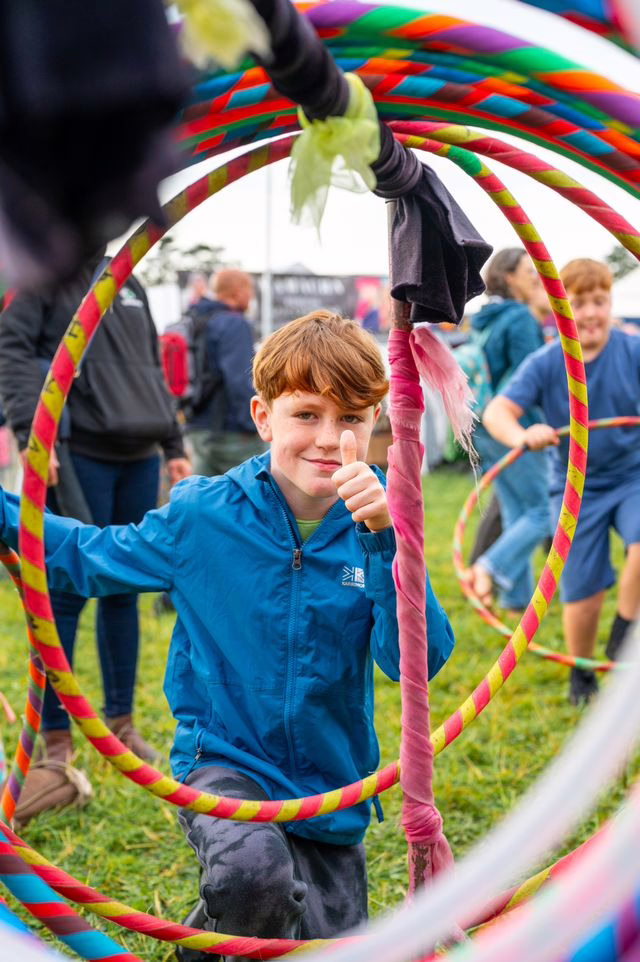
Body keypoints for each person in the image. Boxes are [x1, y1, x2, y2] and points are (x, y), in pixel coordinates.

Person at [0, 310, 455, 953]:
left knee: (321, 944)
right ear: (264, 416)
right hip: (224, 762)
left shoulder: (382, 522)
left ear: (374, 421)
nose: (328, 438)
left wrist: (387, 544)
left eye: (350, 417)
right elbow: (86, 557)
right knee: (253, 880)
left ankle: (207, 938)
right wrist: (4, 511)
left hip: (332, 784)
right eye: (307, 414)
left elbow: (417, 662)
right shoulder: (201, 515)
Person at [0, 252, 191, 822]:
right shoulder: (46, 267)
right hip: (76, 453)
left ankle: (121, 722)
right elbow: (10, 349)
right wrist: (35, 435)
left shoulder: (127, 274)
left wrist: (175, 446)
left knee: (123, 589)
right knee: (63, 590)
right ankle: (56, 739)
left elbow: (150, 368)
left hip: (138, 454)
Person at [482, 258, 640, 705]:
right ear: (560, 308)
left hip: (632, 475)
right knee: (582, 593)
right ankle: (583, 673)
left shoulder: (631, 349)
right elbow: (497, 412)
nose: (590, 313)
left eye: (599, 302)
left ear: (611, 303)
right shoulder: (547, 362)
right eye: (579, 303)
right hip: (576, 488)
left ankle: (626, 631)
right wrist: (523, 434)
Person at [467, 248, 550, 613]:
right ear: (510, 277)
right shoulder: (519, 318)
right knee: (542, 512)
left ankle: (516, 598)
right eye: (529, 271)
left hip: (484, 425)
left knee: (518, 510)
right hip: (515, 425)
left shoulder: (487, 319)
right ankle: (489, 566)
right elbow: (529, 380)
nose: (537, 277)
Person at [185, 267, 265, 476]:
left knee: (205, 496)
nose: (251, 297)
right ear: (239, 291)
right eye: (250, 291)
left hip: (198, 426)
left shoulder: (197, 317)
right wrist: (254, 423)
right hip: (229, 431)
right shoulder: (234, 323)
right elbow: (240, 380)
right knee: (263, 488)